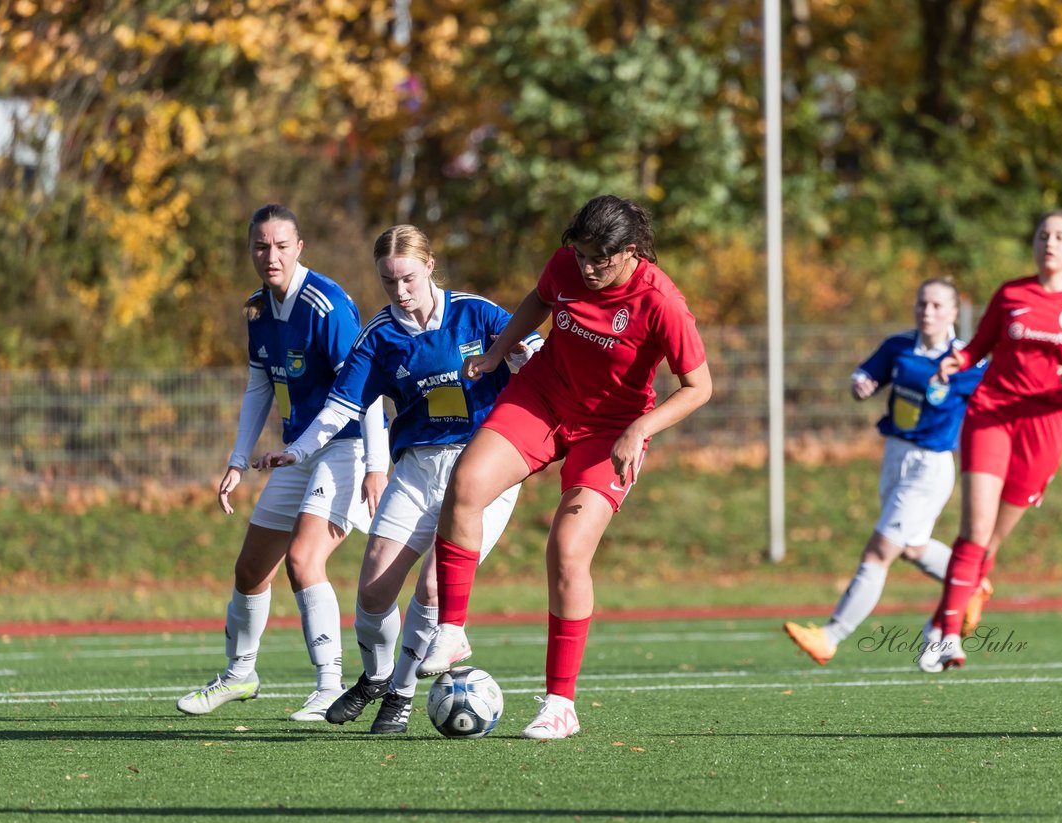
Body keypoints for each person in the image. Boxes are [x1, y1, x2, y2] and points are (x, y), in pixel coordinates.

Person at [414, 195, 712, 739]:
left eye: (600, 258)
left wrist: (639, 430)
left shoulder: (661, 301)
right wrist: (498, 351)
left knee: (567, 549)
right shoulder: (567, 266)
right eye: (580, 256)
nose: (587, 268)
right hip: (544, 397)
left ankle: (560, 705)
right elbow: (537, 300)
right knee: (467, 484)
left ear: (629, 251)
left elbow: (700, 387)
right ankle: (452, 628)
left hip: (611, 430)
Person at [253, 224, 541, 733]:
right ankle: (378, 677)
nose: (401, 291)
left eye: (408, 278)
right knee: (372, 594)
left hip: (484, 466)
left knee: (434, 584)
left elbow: (540, 357)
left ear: (430, 266)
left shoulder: (477, 312)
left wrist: (524, 358)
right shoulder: (380, 336)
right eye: (389, 282)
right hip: (415, 469)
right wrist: (297, 450)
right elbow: (339, 408)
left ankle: (400, 696)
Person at [177, 204, 389, 721]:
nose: (269, 255)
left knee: (302, 560)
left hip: (345, 447)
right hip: (296, 449)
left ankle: (329, 686)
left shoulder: (327, 306)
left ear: (299, 248)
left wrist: (375, 465)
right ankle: (239, 676)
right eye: (259, 246)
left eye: (279, 246)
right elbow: (259, 386)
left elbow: (370, 390)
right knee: (250, 569)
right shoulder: (256, 309)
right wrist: (235, 458)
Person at [917, 209, 1062, 672]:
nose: (1049, 242)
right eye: (1042, 234)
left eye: (1060, 236)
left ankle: (940, 619)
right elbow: (977, 348)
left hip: (1045, 428)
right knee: (975, 529)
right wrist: (956, 361)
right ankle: (948, 638)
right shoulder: (1011, 293)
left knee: (990, 545)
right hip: (992, 414)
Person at [783, 277, 986, 664]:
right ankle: (971, 584)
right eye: (922, 304)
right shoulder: (899, 347)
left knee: (879, 552)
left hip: (930, 467)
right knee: (911, 548)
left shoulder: (967, 361)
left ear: (954, 313)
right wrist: (861, 384)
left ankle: (830, 635)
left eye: (937, 306)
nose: (927, 312)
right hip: (895, 456)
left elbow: (997, 396)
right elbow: (865, 374)